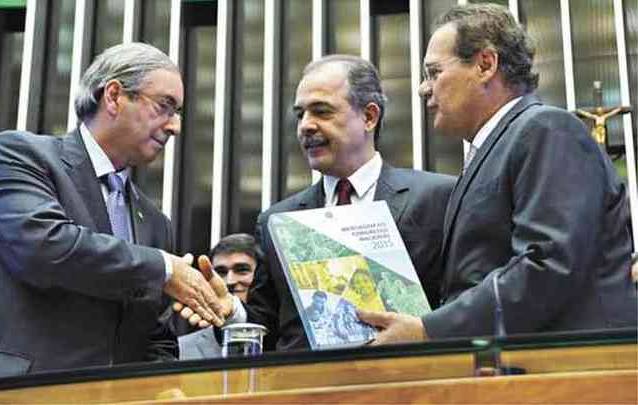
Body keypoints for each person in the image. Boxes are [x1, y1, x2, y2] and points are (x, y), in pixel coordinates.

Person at [359, 3, 638, 344]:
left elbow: (547, 265)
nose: (422, 88)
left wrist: (430, 330)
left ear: (485, 65)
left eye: (434, 73)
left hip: (571, 371)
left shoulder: (546, 129)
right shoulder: (497, 146)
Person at [0, 43, 226, 378]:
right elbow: (44, 248)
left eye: (177, 113)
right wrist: (164, 268)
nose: (174, 126)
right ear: (114, 96)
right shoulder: (22, 155)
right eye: (164, 106)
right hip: (11, 390)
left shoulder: (156, 224)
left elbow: (156, 339)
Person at [174, 54, 455, 351]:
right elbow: (268, 329)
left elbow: (465, 305)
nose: (305, 126)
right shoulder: (276, 221)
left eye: (321, 112)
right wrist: (232, 312)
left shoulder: (437, 197)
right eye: (300, 115)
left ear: (369, 117)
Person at [178, 233, 264, 360]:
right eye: (221, 272)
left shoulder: (287, 341)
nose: (230, 281)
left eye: (242, 270)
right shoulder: (181, 348)